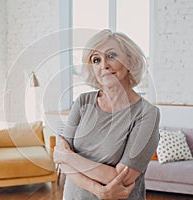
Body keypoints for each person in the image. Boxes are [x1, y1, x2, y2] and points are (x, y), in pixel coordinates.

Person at [54, 29, 160, 200]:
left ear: (130, 61)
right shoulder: (82, 102)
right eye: (96, 60)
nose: (104, 65)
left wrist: (68, 156)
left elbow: (120, 178)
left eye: (111, 55)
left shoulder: (147, 114)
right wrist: (98, 190)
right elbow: (61, 162)